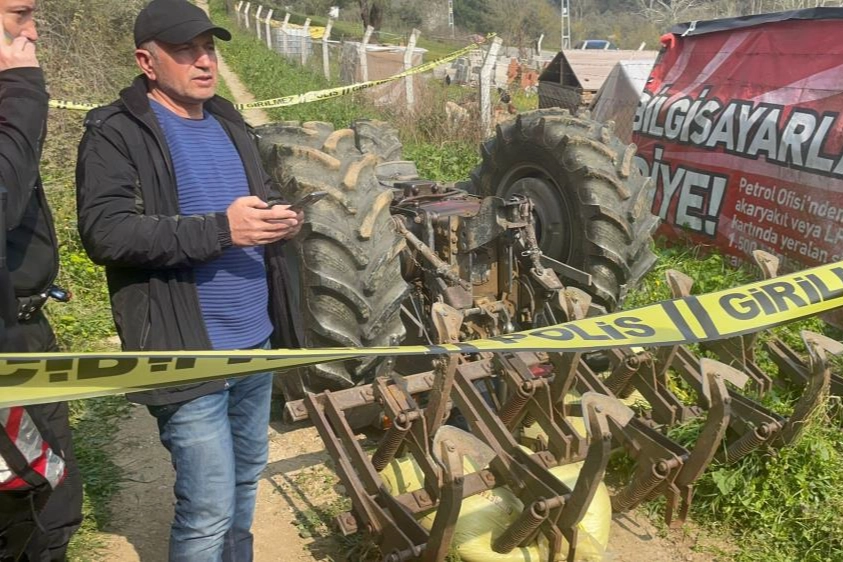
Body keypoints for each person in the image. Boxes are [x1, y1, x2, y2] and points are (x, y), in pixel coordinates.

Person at [75, 1, 302, 560]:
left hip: (254, 343)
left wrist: (277, 215)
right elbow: (107, 234)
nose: (204, 62)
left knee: (245, 480)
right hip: (185, 352)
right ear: (146, 62)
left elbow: (255, 197)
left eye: (209, 48)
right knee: (207, 509)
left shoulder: (228, 119)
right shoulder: (115, 132)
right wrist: (223, 230)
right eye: (185, 51)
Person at [0, 0, 83, 560]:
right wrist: (24, 91)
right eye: (18, 15)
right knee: (26, 500)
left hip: (27, 330)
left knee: (54, 494)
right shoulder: (17, 96)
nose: (32, 33)